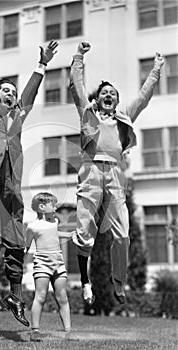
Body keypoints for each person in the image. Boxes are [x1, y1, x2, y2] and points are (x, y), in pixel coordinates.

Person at [0, 15, 58, 329]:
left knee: (15, 243)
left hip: (12, 189)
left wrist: (42, 64)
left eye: (12, 91)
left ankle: (15, 297)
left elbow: (30, 94)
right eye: (4, 90)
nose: (10, 93)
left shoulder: (18, 114)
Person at [70, 42, 164, 305]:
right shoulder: (86, 113)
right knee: (84, 228)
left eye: (112, 92)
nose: (108, 95)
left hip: (114, 172)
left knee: (122, 233)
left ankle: (118, 281)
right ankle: (85, 281)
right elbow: (77, 87)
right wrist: (78, 57)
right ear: (98, 98)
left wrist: (155, 69)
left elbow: (144, 97)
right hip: (90, 170)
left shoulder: (125, 115)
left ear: (117, 99)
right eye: (104, 92)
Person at [25, 192, 72, 342]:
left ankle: (68, 331)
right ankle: (35, 331)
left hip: (58, 262)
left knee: (62, 297)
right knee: (40, 296)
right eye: (53, 204)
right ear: (42, 206)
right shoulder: (32, 227)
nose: (55, 206)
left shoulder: (55, 222)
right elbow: (26, 245)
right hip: (42, 264)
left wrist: (70, 234)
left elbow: (55, 233)